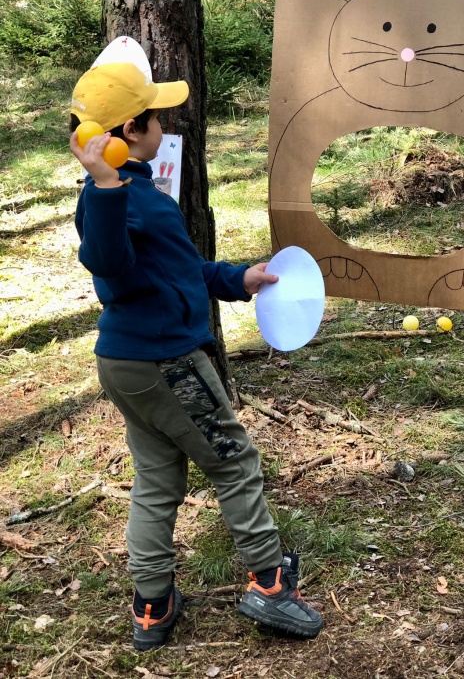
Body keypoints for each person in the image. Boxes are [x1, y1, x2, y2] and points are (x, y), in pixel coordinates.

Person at [69, 61, 323, 651]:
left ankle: (152, 604)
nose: (164, 127)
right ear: (130, 130)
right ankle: (270, 584)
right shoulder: (113, 196)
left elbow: (177, 270)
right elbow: (107, 263)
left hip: (129, 363)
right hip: (167, 365)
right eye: (156, 117)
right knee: (234, 463)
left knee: (158, 478)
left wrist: (238, 279)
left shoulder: (135, 191)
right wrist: (104, 186)